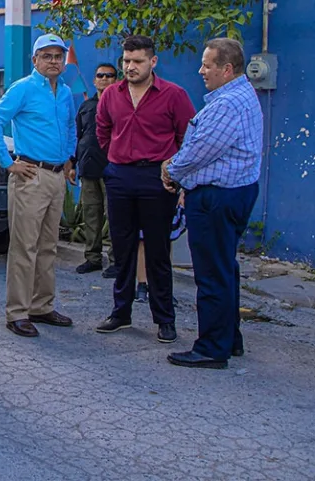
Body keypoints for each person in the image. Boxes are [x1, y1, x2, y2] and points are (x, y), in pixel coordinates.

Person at [162, 38, 263, 369]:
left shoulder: (227, 105)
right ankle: (229, 338)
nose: (201, 70)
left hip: (216, 198)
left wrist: (171, 170)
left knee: (211, 274)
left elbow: (201, 150)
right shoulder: (240, 95)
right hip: (233, 192)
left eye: (207, 65)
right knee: (224, 268)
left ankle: (212, 347)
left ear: (227, 69)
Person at [94, 35, 196, 343]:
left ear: (153, 62)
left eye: (137, 61)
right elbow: (102, 129)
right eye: (126, 61)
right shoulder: (112, 94)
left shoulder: (174, 95)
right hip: (121, 177)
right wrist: (115, 159)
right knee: (122, 250)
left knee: (157, 252)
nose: (130, 67)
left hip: (157, 178)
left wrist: (176, 175)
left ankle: (164, 318)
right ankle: (120, 313)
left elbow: (187, 137)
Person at [0, 33, 77, 338]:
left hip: (56, 177)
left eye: (58, 56)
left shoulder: (66, 93)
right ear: (35, 60)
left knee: (47, 246)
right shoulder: (24, 89)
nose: (53, 61)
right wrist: (8, 163)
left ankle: (41, 306)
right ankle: (17, 312)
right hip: (30, 175)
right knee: (24, 247)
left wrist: (69, 156)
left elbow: (70, 125)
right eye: (47, 56)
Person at [72, 63, 118, 276]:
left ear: (116, 80)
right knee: (91, 215)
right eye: (100, 75)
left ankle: (117, 260)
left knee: (114, 216)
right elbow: (78, 136)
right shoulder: (86, 106)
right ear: (94, 80)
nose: (105, 79)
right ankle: (93, 258)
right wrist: (72, 164)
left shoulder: (121, 104)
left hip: (113, 168)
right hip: (88, 167)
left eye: (109, 76)